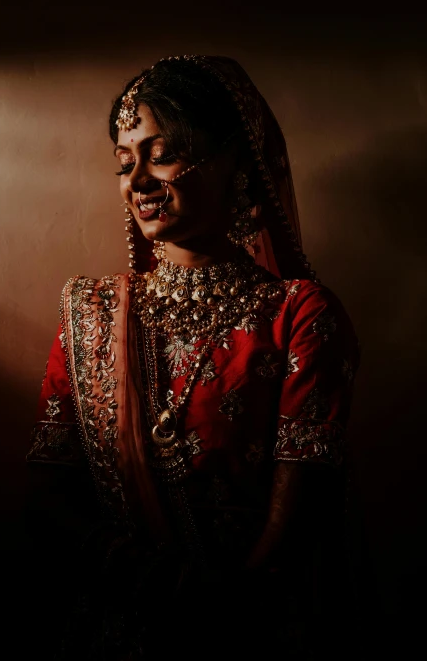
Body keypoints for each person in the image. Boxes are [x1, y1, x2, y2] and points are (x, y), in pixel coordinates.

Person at [26, 55, 359, 660]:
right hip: (116, 627)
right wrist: (144, 579)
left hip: (249, 630)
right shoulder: (91, 314)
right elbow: (48, 495)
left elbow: (300, 516)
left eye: (163, 154)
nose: (140, 182)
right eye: (125, 163)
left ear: (237, 161)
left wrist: (220, 601)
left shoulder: (299, 316)